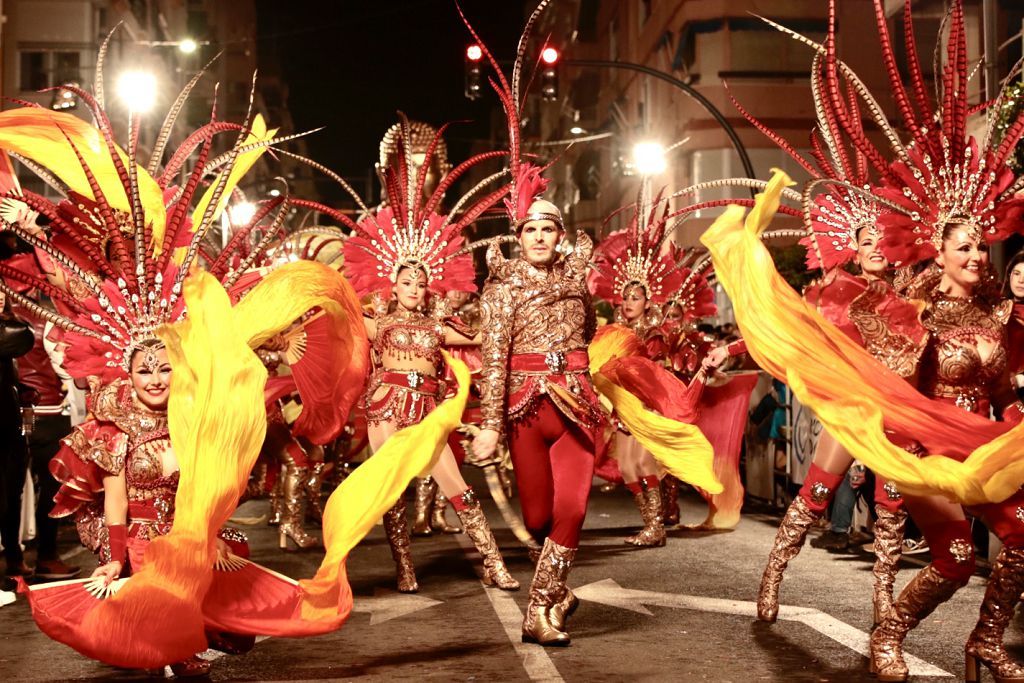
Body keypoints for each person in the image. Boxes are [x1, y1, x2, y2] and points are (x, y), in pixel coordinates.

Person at [343, 116, 518, 594]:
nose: (414, 288)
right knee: (393, 493)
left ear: (428, 285)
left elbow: (483, 340)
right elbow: (341, 324)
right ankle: (404, 567)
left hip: (427, 411)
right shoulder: (377, 321)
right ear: (392, 283)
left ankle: (494, 562)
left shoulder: (440, 327)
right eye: (405, 281)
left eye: (420, 282)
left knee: (458, 487)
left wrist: (510, 315)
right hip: (384, 407)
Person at [0, 290, 33, 579]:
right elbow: (20, 336)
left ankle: (13, 558)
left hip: (10, 423)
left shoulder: (10, 327)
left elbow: (23, 336)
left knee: (12, 493)